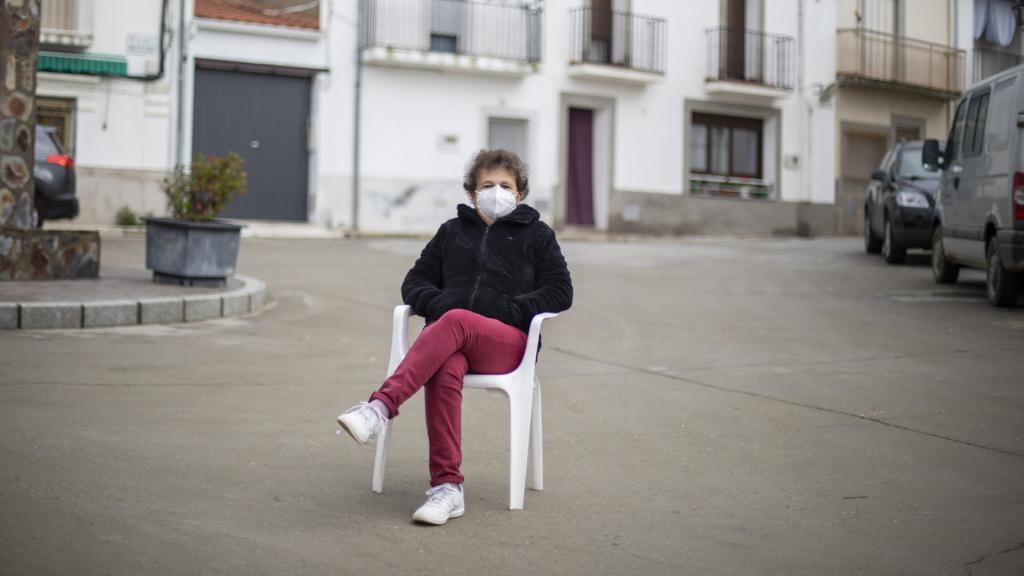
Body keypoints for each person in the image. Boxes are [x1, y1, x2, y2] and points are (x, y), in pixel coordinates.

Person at [336, 149, 573, 525]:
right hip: (452, 340)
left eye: (506, 185)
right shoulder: (452, 232)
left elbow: (561, 291)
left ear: (521, 193)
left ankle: (379, 407)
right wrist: (439, 302)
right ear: (472, 192)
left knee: (456, 320)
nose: (497, 191)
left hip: (507, 344)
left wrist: (511, 310)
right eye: (487, 185)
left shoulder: (537, 235)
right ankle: (447, 488)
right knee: (445, 363)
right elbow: (414, 282)